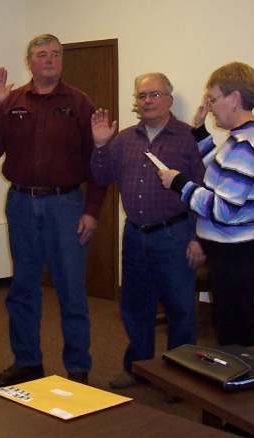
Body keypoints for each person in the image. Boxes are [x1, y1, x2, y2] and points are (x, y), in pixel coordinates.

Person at [0, 34, 106, 386]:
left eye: (55, 54)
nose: (49, 59)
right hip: (21, 203)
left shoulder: (79, 102)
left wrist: (92, 209)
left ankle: (77, 367)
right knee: (23, 288)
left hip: (66, 205)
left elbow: (98, 160)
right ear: (29, 61)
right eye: (42, 54)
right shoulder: (13, 100)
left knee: (71, 289)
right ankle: (27, 362)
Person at [90, 73, 205, 389]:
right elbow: (100, 177)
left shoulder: (188, 138)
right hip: (135, 235)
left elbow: (204, 189)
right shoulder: (124, 139)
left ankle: (180, 377)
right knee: (135, 306)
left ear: (169, 99)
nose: (148, 101)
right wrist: (100, 145)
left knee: (180, 309)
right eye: (142, 96)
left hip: (175, 234)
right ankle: (138, 368)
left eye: (155, 94)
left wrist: (198, 238)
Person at [159, 62, 254, 347]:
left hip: (238, 255)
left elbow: (224, 210)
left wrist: (179, 183)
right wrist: (200, 132)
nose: (209, 107)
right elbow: (219, 175)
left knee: (235, 337)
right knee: (233, 329)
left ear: (234, 98)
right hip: (236, 252)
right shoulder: (242, 138)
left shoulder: (246, 145)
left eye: (213, 99)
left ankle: (242, 376)